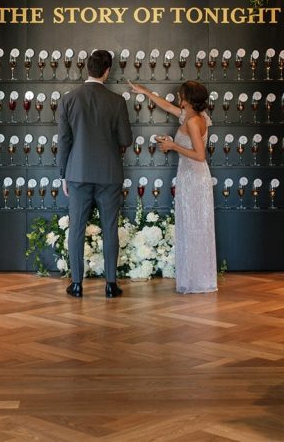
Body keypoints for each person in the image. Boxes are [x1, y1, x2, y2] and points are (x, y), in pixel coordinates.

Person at [58, 49, 133, 298]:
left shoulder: (69, 100)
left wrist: (63, 175)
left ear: (87, 68)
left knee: (76, 229)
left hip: (77, 173)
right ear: (107, 71)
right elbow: (126, 139)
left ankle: (76, 284)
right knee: (110, 228)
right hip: (109, 174)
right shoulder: (117, 101)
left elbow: (64, 141)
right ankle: (110, 284)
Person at [129, 79, 217, 294]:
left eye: (180, 95)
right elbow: (167, 107)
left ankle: (198, 281)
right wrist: (145, 92)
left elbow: (200, 155)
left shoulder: (194, 121)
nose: (178, 98)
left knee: (195, 227)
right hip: (189, 176)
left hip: (195, 177)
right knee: (191, 226)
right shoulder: (192, 116)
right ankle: (194, 277)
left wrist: (173, 146)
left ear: (186, 100)